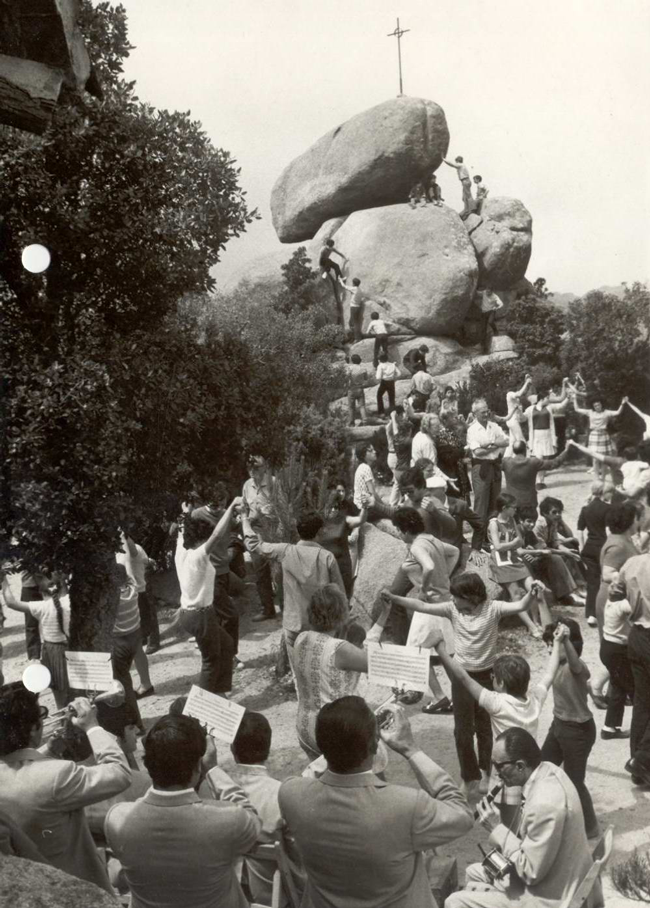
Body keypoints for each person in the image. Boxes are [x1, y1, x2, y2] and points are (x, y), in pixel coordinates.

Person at [279, 696, 473, 908]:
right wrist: (411, 749)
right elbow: (461, 813)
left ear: (322, 746)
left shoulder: (291, 794)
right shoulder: (405, 805)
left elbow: (319, 768)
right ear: (374, 745)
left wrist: (339, 739)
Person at [384, 571, 545, 799]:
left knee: (485, 730)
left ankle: (487, 774)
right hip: (461, 678)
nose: (452, 600)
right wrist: (395, 598)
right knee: (462, 731)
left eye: (457, 596)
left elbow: (520, 605)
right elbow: (421, 605)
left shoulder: (493, 608)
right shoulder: (452, 610)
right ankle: (469, 779)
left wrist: (532, 592)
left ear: (471, 596)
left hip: (488, 679)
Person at [105, 714, 261, 908]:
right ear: (198, 766)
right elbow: (253, 822)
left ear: (148, 765)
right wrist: (212, 769)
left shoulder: (117, 818)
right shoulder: (229, 819)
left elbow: (117, 878)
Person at [447, 727, 602, 908]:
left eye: (499, 766)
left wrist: (497, 828)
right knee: (473, 872)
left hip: (551, 897)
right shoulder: (549, 770)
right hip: (561, 877)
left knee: (454, 902)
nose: (496, 774)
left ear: (520, 766)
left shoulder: (544, 805)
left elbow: (530, 873)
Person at [0, 685, 131, 893]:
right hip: (77, 889)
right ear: (34, 728)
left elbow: (17, 769)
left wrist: (46, 750)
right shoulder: (57, 775)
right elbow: (119, 772)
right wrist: (92, 727)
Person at [293, 584, 390, 758]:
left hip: (306, 727)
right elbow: (378, 662)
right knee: (371, 768)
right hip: (336, 730)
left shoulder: (301, 638)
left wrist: (383, 616)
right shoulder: (341, 650)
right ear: (342, 613)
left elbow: (331, 654)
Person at [387, 507, 459, 713]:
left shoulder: (417, 545)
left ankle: (439, 697)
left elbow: (427, 566)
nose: (400, 535)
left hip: (428, 606)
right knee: (444, 653)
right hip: (443, 602)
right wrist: (445, 577)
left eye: (399, 530)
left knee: (416, 654)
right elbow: (455, 552)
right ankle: (461, 695)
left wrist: (424, 589)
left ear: (406, 530)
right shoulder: (432, 540)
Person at [228, 711, 303, 906]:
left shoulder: (216, 788)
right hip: (275, 894)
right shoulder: (279, 794)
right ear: (268, 748)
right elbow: (297, 855)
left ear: (232, 748)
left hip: (233, 892)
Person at [243, 510, 346, 651]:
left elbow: (253, 545)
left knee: (297, 669)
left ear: (298, 532)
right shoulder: (327, 557)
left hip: (293, 626)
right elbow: (340, 596)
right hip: (321, 627)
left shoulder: (285, 551)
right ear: (320, 531)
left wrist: (245, 521)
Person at [540, 618, 600, 840]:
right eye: (548, 645)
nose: (550, 649)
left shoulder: (578, 668)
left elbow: (574, 662)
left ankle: (592, 829)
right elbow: (551, 623)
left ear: (570, 645)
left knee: (575, 781)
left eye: (554, 644)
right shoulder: (556, 663)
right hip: (558, 726)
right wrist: (540, 600)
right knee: (541, 768)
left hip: (578, 731)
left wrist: (564, 639)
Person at [174, 502, 239, 694]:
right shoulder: (198, 557)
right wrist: (232, 506)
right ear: (200, 539)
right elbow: (217, 535)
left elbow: (182, 530)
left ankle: (220, 692)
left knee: (226, 645)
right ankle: (204, 708)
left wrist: (185, 512)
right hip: (200, 615)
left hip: (193, 613)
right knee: (211, 661)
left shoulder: (181, 550)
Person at [609, 552, 650, 785]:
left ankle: (639, 766)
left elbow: (615, 593)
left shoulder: (633, 561)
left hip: (636, 636)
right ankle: (643, 759)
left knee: (643, 703)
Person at [1, 573, 71, 708]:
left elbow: (11, 603)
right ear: (62, 588)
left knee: (59, 691)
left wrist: (4, 579)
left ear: (41, 592)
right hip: (71, 649)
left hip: (52, 652)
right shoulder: (69, 602)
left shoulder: (41, 607)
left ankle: (64, 719)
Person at [192, 497, 246, 665]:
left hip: (224, 571)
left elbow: (241, 528)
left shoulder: (226, 513)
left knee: (222, 615)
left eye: (221, 502)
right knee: (230, 615)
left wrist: (248, 514)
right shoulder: (196, 515)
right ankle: (227, 657)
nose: (218, 507)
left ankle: (223, 655)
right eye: (214, 501)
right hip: (209, 574)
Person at [487, 493, 549, 636]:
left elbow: (520, 542)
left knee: (534, 588)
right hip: (501, 562)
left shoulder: (512, 520)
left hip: (515, 559)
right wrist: (512, 544)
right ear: (504, 508)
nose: (515, 510)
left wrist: (511, 545)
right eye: (513, 508)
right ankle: (532, 627)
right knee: (515, 595)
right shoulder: (493, 524)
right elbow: (497, 546)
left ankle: (537, 621)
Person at [242, 454, 280, 621]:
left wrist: (279, 531)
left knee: (278, 570)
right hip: (255, 530)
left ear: (264, 467)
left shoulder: (273, 482)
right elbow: (244, 507)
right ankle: (268, 609)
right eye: (250, 467)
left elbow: (283, 508)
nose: (252, 471)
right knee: (260, 571)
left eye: (256, 467)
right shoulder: (247, 485)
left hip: (272, 528)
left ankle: (286, 607)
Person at [466, 398, 509, 530]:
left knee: (495, 502)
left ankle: (491, 535)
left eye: (487, 411)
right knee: (481, 503)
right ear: (475, 414)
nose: (486, 415)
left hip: (495, 466)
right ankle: (479, 538)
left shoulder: (494, 426)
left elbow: (506, 441)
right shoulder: (472, 430)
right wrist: (496, 444)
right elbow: (478, 452)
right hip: (481, 468)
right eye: (482, 412)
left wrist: (491, 444)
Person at [532, 497, 583, 605]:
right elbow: (542, 549)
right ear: (545, 513)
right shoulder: (538, 525)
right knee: (557, 558)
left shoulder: (553, 522)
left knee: (571, 551)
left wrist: (567, 551)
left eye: (559, 512)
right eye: (554, 512)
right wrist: (564, 552)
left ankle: (578, 587)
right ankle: (568, 593)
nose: (558, 515)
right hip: (535, 555)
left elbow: (555, 542)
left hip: (546, 551)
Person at [577, 481, 614, 626]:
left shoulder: (585, 508)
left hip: (589, 548)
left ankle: (591, 614)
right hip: (603, 547)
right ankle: (605, 611)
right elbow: (608, 530)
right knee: (606, 580)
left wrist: (581, 547)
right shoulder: (607, 508)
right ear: (602, 492)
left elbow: (580, 530)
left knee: (592, 582)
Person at [319, 487, 366, 597]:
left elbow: (360, 520)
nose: (334, 510)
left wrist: (365, 508)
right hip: (324, 567)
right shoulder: (319, 522)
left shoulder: (343, 519)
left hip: (342, 566)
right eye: (331, 507)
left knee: (343, 596)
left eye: (336, 507)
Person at [523, 381, 570, 488]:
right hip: (536, 436)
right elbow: (523, 417)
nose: (548, 400)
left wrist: (568, 398)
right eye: (547, 398)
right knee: (538, 458)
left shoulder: (549, 408)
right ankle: (535, 480)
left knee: (545, 460)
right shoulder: (531, 409)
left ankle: (540, 481)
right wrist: (517, 412)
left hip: (547, 435)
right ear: (542, 399)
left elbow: (561, 405)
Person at [501, 439, 571, 509]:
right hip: (529, 502)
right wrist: (566, 450)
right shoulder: (533, 462)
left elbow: (493, 464)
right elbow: (554, 463)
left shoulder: (506, 462)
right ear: (525, 450)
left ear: (513, 451)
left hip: (511, 504)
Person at [573, 396, 628, 480]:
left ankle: (603, 478)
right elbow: (577, 409)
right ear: (593, 406)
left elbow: (618, 412)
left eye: (599, 405)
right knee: (594, 458)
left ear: (602, 405)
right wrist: (574, 399)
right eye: (595, 406)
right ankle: (596, 478)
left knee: (603, 459)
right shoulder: (590, 412)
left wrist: (622, 404)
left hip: (603, 435)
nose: (597, 407)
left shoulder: (606, 412)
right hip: (594, 435)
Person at [569, 438, 650, 493]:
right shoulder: (641, 462)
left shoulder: (614, 461)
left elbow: (592, 453)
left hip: (620, 492)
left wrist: (576, 444)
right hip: (638, 492)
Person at [386, 405, 413, 507]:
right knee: (402, 485)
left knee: (397, 484)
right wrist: (394, 418)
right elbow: (396, 430)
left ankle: (392, 504)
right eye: (401, 415)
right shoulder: (391, 427)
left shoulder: (397, 434)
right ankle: (397, 504)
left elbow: (397, 430)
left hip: (396, 459)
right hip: (395, 458)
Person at [503, 374, 532, 455]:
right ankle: (527, 458)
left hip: (512, 421)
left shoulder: (514, 396)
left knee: (512, 443)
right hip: (512, 421)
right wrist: (526, 382)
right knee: (521, 440)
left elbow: (523, 392)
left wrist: (527, 383)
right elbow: (519, 393)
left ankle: (505, 461)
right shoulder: (509, 394)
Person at [346, 353, 369, 426]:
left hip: (352, 388)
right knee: (362, 406)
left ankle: (351, 422)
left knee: (351, 407)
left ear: (352, 361)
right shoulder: (363, 369)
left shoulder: (350, 368)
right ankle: (365, 421)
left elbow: (347, 376)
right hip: (360, 388)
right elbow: (366, 378)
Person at [340, 276, 365, 342]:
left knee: (354, 323)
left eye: (352, 283)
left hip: (354, 307)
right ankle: (354, 337)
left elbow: (344, 286)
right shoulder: (360, 290)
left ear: (354, 283)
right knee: (352, 322)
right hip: (357, 307)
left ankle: (356, 338)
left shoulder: (354, 289)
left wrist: (340, 280)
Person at [375, 352, 399, 416]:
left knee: (379, 395)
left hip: (384, 382)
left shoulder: (380, 366)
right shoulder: (392, 364)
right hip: (391, 381)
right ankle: (393, 413)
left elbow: (378, 377)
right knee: (391, 397)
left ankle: (381, 412)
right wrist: (393, 376)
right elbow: (399, 373)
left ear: (380, 359)